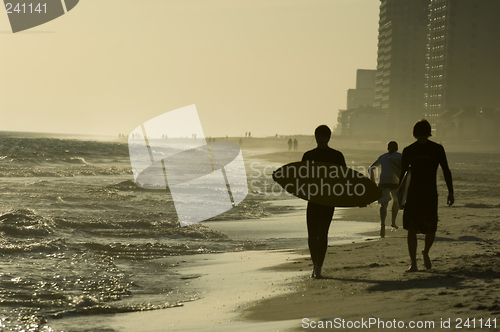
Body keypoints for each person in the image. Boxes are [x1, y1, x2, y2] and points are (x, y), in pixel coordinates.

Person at [400, 119, 454, 272]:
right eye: (420, 135)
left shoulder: (437, 149)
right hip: (412, 195)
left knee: (431, 229)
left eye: (425, 135)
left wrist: (451, 192)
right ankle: (413, 263)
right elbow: (402, 176)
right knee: (411, 228)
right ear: (415, 135)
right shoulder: (409, 150)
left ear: (429, 134)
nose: (422, 138)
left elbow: (446, 170)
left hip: (430, 194)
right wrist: (400, 197)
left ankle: (425, 252)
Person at [302, 125, 346, 278]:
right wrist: (281, 177)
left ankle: (319, 266)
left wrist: (356, 198)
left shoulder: (337, 156)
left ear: (328, 138)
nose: (319, 138)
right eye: (317, 135)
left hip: (328, 200)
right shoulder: (308, 155)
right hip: (313, 200)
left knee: (323, 233)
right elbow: (300, 178)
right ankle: (315, 265)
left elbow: (344, 179)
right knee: (312, 234)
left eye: (322, 136)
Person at [370, 141, 402, 237]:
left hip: (383, 182)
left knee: (383, 205)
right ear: (397, 148)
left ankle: (383, 225)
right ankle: (393, 222)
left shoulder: (383, 157)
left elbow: (371, 168)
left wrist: (373, 182)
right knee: (396, 202)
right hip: (395, 182)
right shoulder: (400, 156)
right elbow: (405, 169)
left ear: (387, 148)